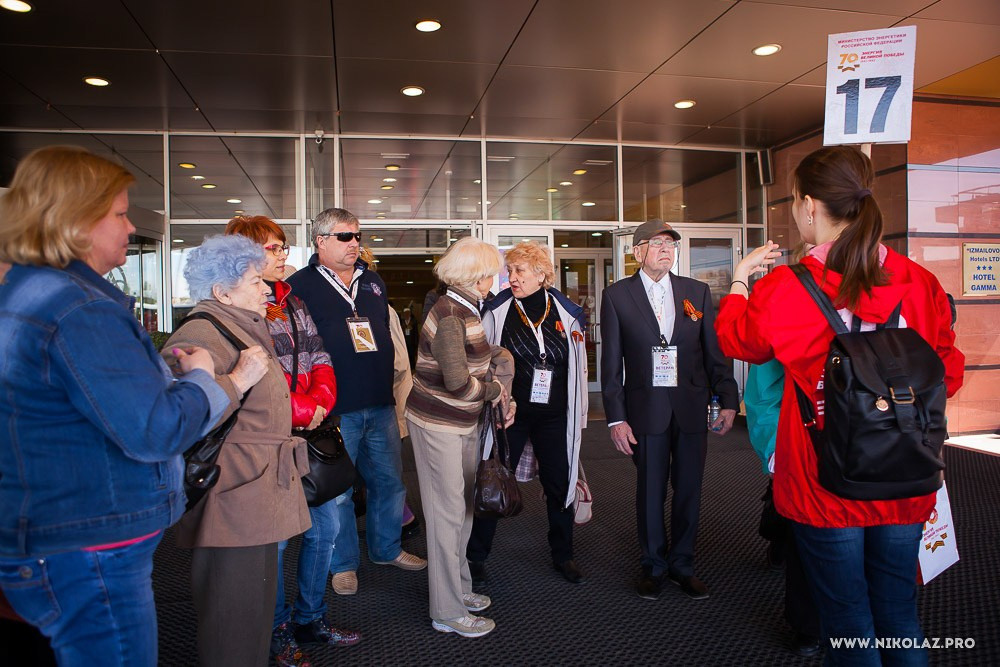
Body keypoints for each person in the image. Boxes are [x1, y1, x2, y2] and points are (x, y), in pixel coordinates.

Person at [716, 145, 965, 665]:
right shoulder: (919, 282)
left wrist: (740, 279)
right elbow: (948, 373)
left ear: (810, 205)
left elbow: (739, 341)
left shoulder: (787, 287)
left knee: (847, 617)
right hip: (905, 470)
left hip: (823, 477)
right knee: (898, 610)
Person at [0, 146, 229, 667]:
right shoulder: (79, 308)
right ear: (77, 221)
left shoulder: (27, 291)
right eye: (121, 214)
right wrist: (202, 379)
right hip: (90, 543)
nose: (130, 229)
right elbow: (156, 429)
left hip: (56, 531)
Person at [164, 234, 313, 667]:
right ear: (221, 292)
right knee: (233, 617)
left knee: (253, 610)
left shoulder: (239, 323)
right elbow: (176, 417)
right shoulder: (199, 333)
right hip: (231, 495)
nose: (267, 289)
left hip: (253, 489)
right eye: (255, 282)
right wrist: (238, 381)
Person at [223, 217, 360, 667]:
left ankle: (310, 619)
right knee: (277, 542)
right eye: (273, 248)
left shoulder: (291, 299)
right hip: (270, 440)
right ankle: (277, 630)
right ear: (244, 255)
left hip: (313, 433)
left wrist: (321, 401)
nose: (283, 255)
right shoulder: (240, 309)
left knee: (326, 529)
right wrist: (301, 409)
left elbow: (320, 353)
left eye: (282, 247)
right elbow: (260, 375)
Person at [286, 208, 426, 597]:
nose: (355, 244)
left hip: (379, 402)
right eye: (345, 237)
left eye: (358, 236)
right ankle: (343, 564)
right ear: (321, 241)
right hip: (333, 410)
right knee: (339, 492)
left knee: (389, 483)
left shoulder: (374, 282)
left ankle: (386, 549)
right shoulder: (299, 286)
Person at [600, 219, 738, 602]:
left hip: (691, 406)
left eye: (670, 243)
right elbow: (610, 366)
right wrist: (615, 417)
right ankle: (653, 565)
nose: (665, 248)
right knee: (650, 491)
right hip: (645, 409)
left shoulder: (696, 292)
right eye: (656, 242)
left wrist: (728, 399)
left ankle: (682, 564)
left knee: (689, 489)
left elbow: (714, 352)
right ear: (637, 251)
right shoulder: (617, 296)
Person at [405, 237, 515, 638]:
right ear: (477, 275)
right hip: (439, 425)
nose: (495, 278)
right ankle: (447, 610)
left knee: (461, 512)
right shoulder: (451, 313)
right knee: (446, 517)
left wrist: (500, 362)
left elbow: (475, 360)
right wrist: (496, 391)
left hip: (459, 423)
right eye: (491, 271)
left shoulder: (464, 307)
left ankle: (460, 589)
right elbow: (457, 382)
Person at [467, 241, 589, 585]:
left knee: (559, 483)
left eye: (519, 271)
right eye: (510, 271)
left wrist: (578, 415)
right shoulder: (498, 310)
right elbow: (485, 361)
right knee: (493, 478)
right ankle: (476, 557)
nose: (512, 278)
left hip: (555, 416)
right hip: (510, 414)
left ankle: (563, 555)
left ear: (541, 275)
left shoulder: (567, 313)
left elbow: (576, 369)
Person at [742, 245, 820, 658]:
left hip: (867, 450)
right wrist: (775, 451)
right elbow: (763, 392)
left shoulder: (887, 293)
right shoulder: (788, 303)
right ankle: (807, 628)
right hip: (800, 449)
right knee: (801, 538)